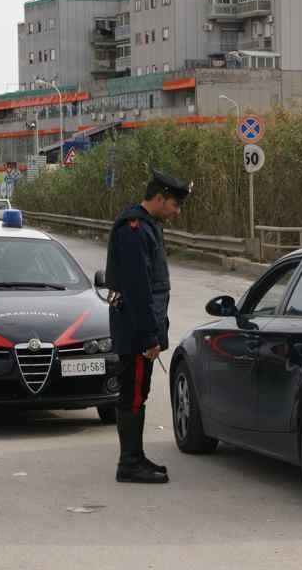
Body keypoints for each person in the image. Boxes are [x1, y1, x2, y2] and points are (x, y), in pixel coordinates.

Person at [104, 169, 193, 484]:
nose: (176, 211)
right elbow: (138, 289)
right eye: (174, 204)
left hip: (138, 329)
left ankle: (135, 457)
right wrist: (149, 337)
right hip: (135, 332)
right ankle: (129, 463)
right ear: (159, 198)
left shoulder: (147, 226)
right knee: (132, 394)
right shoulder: (134, 229)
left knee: (137, 393)